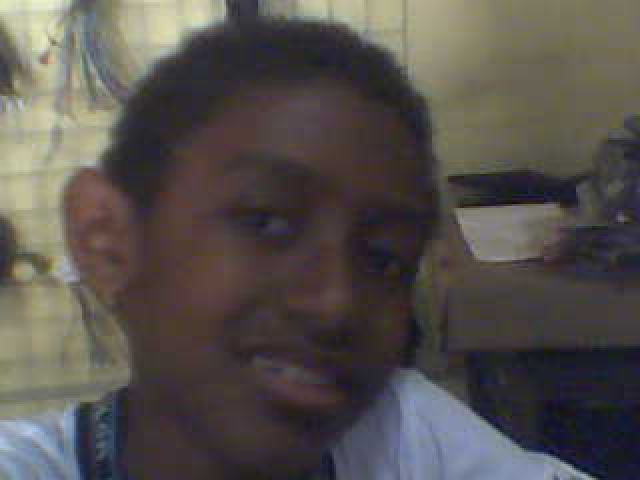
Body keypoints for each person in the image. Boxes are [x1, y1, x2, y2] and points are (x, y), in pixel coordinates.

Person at [0, 19, 594, 480]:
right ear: (107, 241)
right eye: (265, 222)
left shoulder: (404, 437)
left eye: (383, 258)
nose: (336, 302)